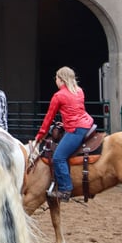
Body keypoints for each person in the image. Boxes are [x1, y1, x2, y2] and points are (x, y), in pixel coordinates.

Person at [35, 66, 95, 202]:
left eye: (56, 78)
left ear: (61, 79)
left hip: (76, 129)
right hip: (87, 123)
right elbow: (77, 110)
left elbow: (49, 118)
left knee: (58, 157)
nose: (55, 80)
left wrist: (40, 135)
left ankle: (65, 189)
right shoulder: (79, 91)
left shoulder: (59, 96)